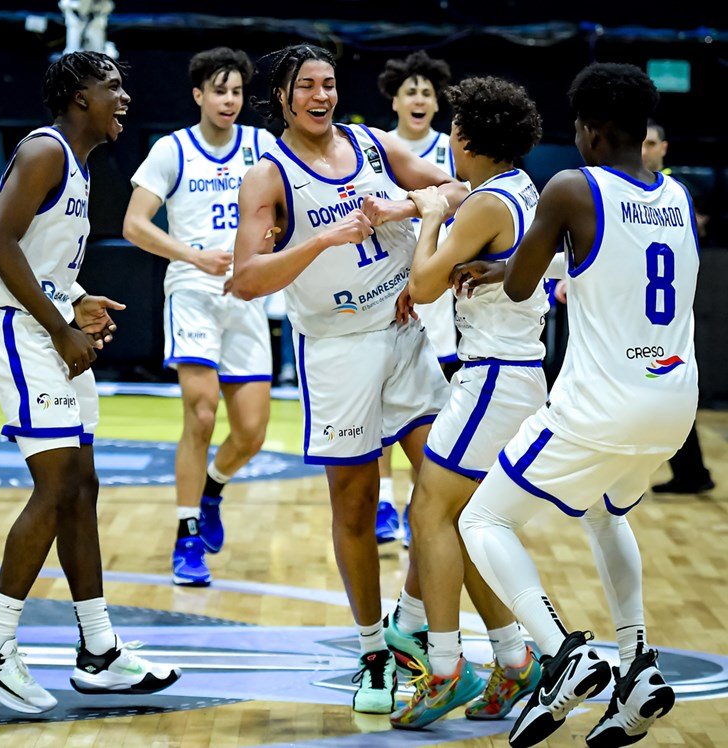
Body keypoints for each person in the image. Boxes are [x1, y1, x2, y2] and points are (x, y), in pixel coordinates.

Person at [457, 62, 692, 747]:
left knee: (484, 520)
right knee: (605, 512)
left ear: (590, 130)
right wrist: (528, 259)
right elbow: (609, 256)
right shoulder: (675, 197)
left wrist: (511, 264)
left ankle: (565, 653)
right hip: (673, 403)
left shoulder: (570, 186)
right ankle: (638, 663)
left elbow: (526, 286)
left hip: (602, 404)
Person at [230, 43, 467, 714]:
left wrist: (407, 211)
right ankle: (370, 650)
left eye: (329, 83)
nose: (321, 95)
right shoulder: (267, 175)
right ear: (282, 96)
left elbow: (455, 190)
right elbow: (246, 280)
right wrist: (318, 242)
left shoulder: (372, 144)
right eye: (307, 85)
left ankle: (412, 620)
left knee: (444, 489)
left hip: (404, 333)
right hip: (336, 349)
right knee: (357, 505)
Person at [0, 52, 180, 713]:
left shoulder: (78, 165)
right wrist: (58, 325)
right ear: (79, 98)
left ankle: (100, 651)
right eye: (113, 86)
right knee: (55, 488)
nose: (124, 97)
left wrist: (75, 297)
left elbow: (39, 256)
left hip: (46, 326)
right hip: (21, 336)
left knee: (82, 487)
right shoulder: (44, 152)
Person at [376, 76, 546, 728]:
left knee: (429, 512)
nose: (448, 140)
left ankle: (444, 669)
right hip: (519, 371)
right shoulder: (525, 188)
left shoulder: (482, 205)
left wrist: (430, 218)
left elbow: (423, 286)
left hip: (493, 377)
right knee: (466, 526)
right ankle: (512, 658)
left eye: (453, 129)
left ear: (470, 137)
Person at [123, 48, 275, 587]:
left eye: (236, 91)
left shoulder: (262, 147)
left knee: (253, 431)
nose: (228, 100)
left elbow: (290, 212)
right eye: (219, 90)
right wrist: (192, 255)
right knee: (202, 411)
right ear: (198, 95)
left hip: (248, 293)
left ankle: (212, 488)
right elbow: (135, 225)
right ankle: (186, 536)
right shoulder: (172, 149)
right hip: (192, 288)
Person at [374, 51, 459, 547]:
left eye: (427, 91)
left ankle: (419, 500)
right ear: (395, 99)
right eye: (411, 91)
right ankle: (384, 499)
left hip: (437, 285)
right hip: (386, 283)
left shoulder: (451, 149)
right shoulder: (377, 149)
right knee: (385, 401)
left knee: (434, 407)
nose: (420, 99)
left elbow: (467, 197)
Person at [642, 120, 714, 495]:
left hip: (672, 307)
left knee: (667, 386)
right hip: (650, 307)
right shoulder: (634, 188)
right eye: (641, 143)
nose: (645, 150)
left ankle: (693, 472)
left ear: (664, 147)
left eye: (651, 143)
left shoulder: (676, 190)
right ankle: (691, 471)